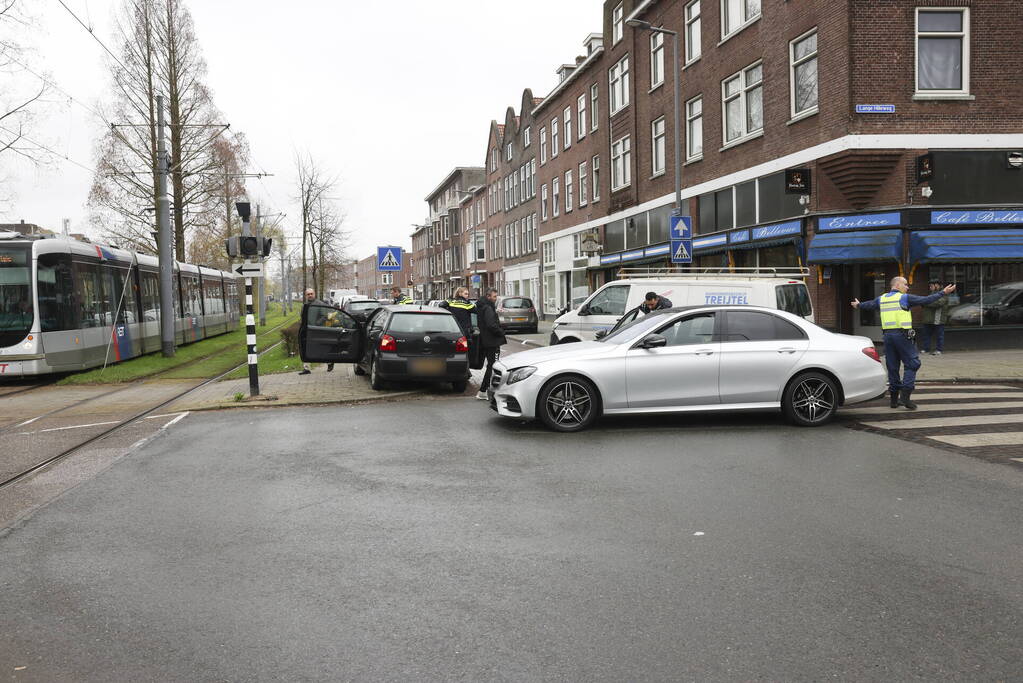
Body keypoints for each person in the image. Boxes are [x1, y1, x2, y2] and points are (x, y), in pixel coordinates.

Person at [852, 276, 955, 409]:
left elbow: (870, 304)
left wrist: (859, 305)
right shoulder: (904, 298)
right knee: (912, 364)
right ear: (897, 285)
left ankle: (894, 401)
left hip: (888, 337)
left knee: (893, 367)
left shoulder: (882, 299)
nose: (907, 287)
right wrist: (943, 293)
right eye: (905, 285)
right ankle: (905, 397)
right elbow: (926, 300)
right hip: (903, 336)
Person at [475, 287, 506, 400]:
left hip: (485, 340)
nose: (495, 298)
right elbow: (491, 325)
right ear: (488, 296)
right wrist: (501, 332)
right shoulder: (488, 308)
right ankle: (484, 390)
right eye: (494, 296)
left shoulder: (481, 306)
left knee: (491, 365)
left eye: (496, 296)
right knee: (493, 366)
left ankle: (485, 390)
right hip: (491, 341)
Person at [299, 288, 334, 375]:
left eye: (311, 293)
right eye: (308, 294)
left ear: (314, 294)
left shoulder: (320, 304)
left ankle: (330, 362)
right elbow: (302, 316)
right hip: (308, 330)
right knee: (306, 348)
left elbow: (326, 316)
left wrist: (317, 323)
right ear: (306, 295)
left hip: (318, 330)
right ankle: (306, 368)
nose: (310, 295)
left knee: (321, 348)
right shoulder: (305, 305)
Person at [919, 278, 950, 356]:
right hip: (928, 319)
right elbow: (924, 302)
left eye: (931, 286)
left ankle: (939, 350)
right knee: (926, 335)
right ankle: (926, 349)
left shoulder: (944, 294)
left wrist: (925, 302)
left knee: (939, 335)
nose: (930, 288)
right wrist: (925, 302)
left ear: (937, 285)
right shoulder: (931, 294)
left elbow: (937, 303)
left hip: (938, 319)